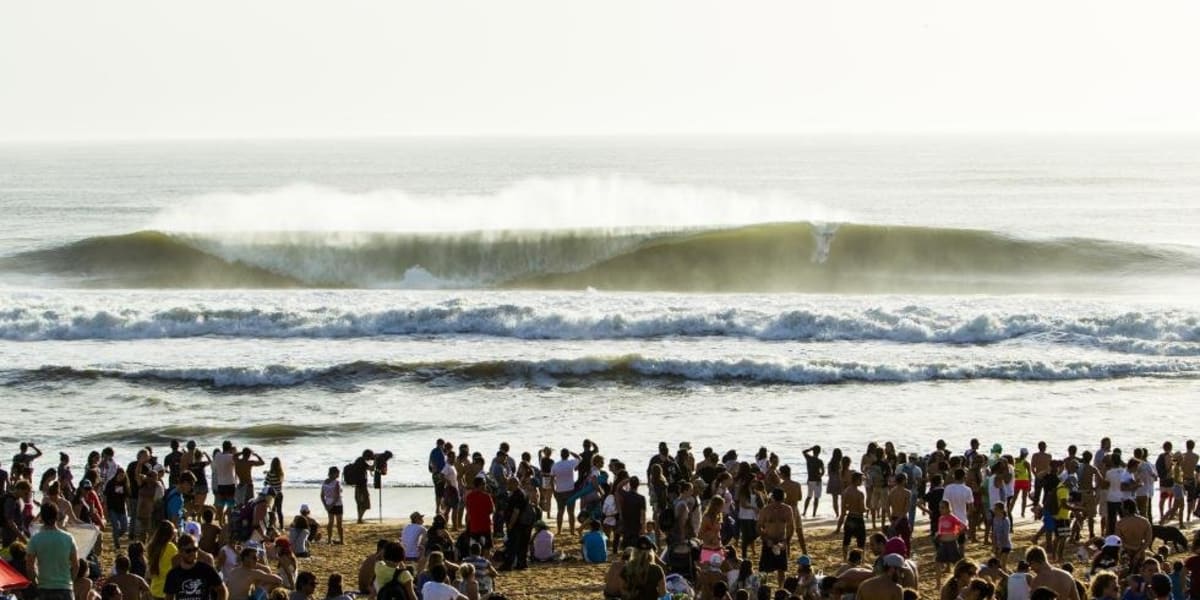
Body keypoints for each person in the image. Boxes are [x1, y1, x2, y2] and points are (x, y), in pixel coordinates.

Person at [26, 503, 78, 600]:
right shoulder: (68, 538)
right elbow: (76, 565)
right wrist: (70, 581)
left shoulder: (35, 539)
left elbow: (30, 567)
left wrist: (35, 583)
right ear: (57, 516)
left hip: (44, 587)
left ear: (41, 517)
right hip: (65, 588)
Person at [164, 534, 226, 600]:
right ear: (180, 552)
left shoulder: (206, 569)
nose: (193, 553)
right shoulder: (173, 574)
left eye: (195, 549)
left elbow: (222, 591)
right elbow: (169, 597)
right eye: (188, 551)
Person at [758, 488, 794, 589]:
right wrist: (765, 539)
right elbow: (758, 526)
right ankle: (762, 588)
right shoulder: (766, 510)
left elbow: (791, 527)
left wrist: (786, 541)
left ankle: (780, 589)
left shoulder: (787, 509)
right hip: (769, 540)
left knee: (781, 568)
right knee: (764, 568)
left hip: (781, 541)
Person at [622, 536, 666, 600]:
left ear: (635, 550)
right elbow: (663, 593)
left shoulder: (627, 567)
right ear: (651, 552)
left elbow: (622, 590)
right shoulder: (657, 569)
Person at [802, 447, 823, 518]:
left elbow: (803, 451)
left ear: (813, 451)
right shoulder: (820, 461)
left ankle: (804, 512)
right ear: (819, 452)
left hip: (810, 480)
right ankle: (814, 513)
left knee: (809, 496)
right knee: (816, 498)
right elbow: (823, 471)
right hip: (817, 481)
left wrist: (810, 449)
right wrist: (819, 476)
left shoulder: (809, 458)